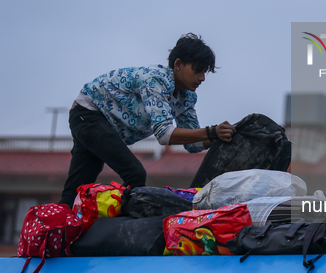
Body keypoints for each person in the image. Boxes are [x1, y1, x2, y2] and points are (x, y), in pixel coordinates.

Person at [59, 33, 235, 207]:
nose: (202, 78)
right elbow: (164, 134)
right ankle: (128, 227)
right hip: (89, 113)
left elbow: (193, 144)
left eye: (205, 72)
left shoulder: (187, 97)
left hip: (102, 123)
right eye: (197, 70)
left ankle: (59, 230)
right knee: (134, 173)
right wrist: (212, 131)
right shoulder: (156, 79)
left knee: (76, 189)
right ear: (178, 64)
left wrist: (218, 137)